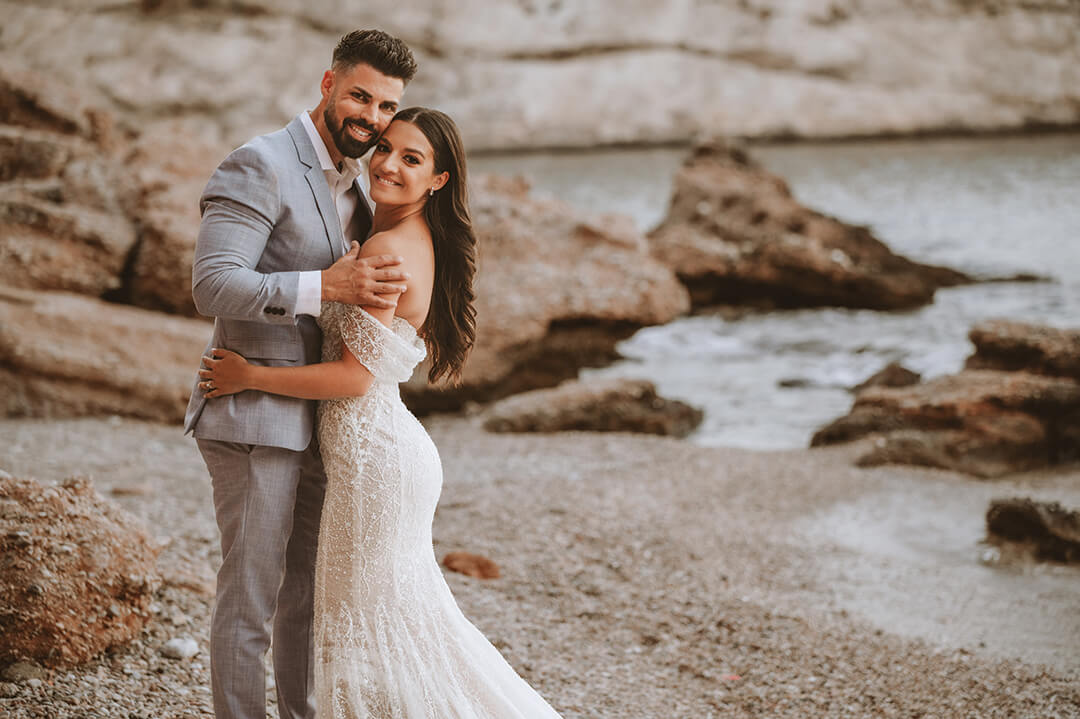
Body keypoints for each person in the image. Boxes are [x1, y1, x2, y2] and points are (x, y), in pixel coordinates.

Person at [199, 108, 564, 717]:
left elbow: (353, 376)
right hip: (377, 454)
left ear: (439, 180)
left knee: (371, 630)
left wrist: (250, 375)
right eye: (386, 148)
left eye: (412, 159)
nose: (389, 164)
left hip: (373, 462)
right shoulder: (395, 233)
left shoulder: (392, 246)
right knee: (396, 626)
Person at [184, 30, 418, 719]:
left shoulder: (362, 184)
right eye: (359, 96)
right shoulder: (258, 164)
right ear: (327, 83)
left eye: (386, 106)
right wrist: (326, 286)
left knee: (306, 600)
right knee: (250, 601)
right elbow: (212, 285)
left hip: (325, 417)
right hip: (251, 411)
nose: (370, 117)